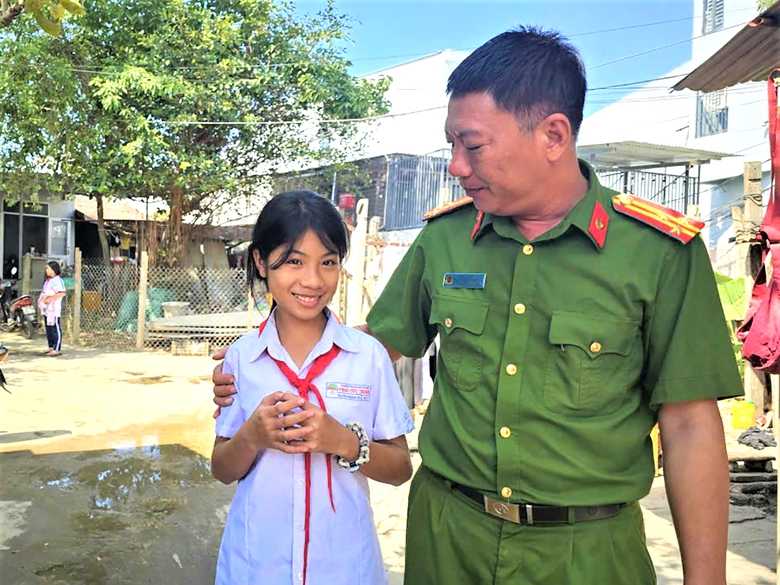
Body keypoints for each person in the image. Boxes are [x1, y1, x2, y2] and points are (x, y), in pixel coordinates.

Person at [213, 28, 742, 585]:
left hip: (585, 554)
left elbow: (689, 425)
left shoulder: (657, 253)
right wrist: (254, 361)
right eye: (451, 144)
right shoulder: (447, 239)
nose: (455, 166)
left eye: (472, 145)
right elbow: (368, 344)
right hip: (449, 540)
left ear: (553, 135)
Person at [211, 190, 414, 585]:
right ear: (260, 261)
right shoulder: (241, 359)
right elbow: (221, 469)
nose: (313, 280)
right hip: (257, 566)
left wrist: (344, 442)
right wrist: (251, 435)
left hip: (344, 567)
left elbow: (401, 468)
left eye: (328, 262)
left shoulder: (368, 357)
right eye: (293, 261)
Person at [38, 261, 66, 356]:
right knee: (48, 328)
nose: (46, 270)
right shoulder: (48, 280)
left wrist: (50, 299)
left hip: (54, 309)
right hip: (47, 309)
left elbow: (62, 293)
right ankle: (51, 346)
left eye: (48, 268)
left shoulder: (58, 280)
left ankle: (57, 348)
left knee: (55, 328)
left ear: (53, 269)